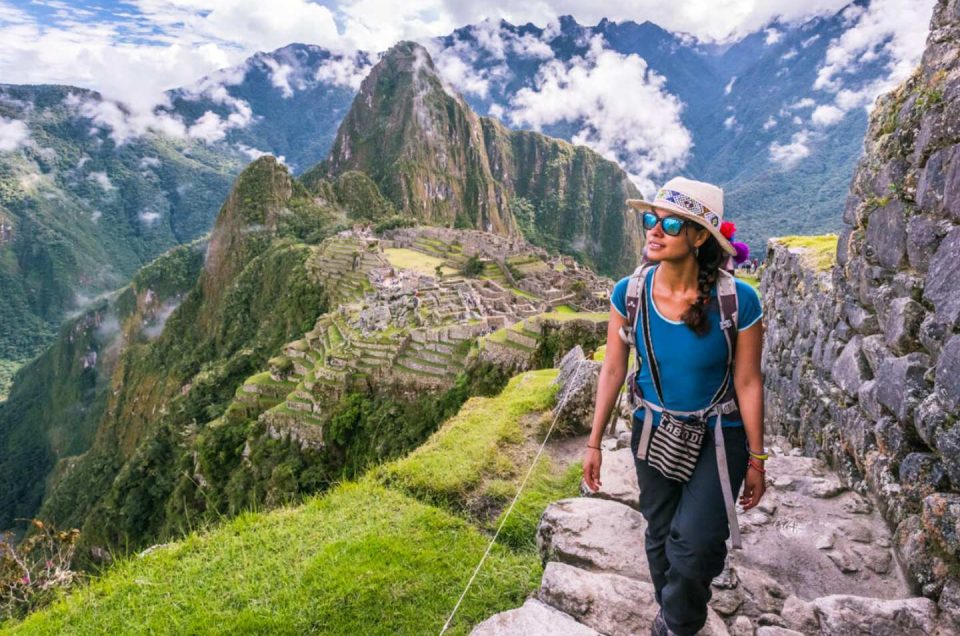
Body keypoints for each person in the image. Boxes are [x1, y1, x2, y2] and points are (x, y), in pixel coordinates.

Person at [582, 177, 767, 636]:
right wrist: (594, 442)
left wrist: (757, 458)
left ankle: (676, 624)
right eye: (652, 219)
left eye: (669, 224)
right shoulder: (629, 293)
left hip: (720, 436)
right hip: (652, 427)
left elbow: (748, 381)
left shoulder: (738, 301)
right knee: (661, 531)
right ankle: (674, 611)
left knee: (698, 544)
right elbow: (612, 369)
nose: (654, 230)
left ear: (700, 236)